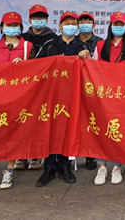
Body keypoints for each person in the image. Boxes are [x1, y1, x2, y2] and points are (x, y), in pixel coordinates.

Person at [0, 12, 35, 190]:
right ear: (2, 27)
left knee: (13, 132)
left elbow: (35, 70)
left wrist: (24, 65)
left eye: (15, 25)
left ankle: (10, 169)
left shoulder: (28, 46)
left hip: (18, 95)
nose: (12, 28)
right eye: (8, 25)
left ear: (21, 27)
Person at [92, 11, 125, 185]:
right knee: (102, 130)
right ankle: (101, 167)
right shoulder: (100, 45)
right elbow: (92, 69)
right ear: (110, 26)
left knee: (119, 130)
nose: (118, 27)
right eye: (115, 24)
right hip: (104, 96)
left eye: (121, 24)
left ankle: (117, 166)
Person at [36, 11, 89, 188]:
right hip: (50, 94)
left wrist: (86, 57)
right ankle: (49, 167)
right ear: (60, 26)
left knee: (67, 129)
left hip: (72, 95)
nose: (70, 26)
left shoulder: (82, 46)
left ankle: (65, 166)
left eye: (73, 23)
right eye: (66, 23)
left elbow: (90, 70)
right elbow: (36, 65)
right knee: (50, 129)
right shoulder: (50, 44)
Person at [18, 4, 59, 171]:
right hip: (23, 85)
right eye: (35, 18)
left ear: (47, 19)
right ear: (29, 20)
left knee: (39, 118)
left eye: (42, 17)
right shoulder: (22, 38)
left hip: (43, 85)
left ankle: (36, 155)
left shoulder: (53, 38)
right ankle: (21, 154)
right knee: (22, 118)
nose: (38, 20)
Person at [77, 11, 104, 171]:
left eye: (88, 21)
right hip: (74, 85)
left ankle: (90, 155)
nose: (85, 24)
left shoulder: (100, 43)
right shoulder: (72, 41)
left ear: (94, 25)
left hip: (93, 87)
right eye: (82, 21)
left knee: (92, 119)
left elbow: (102, 66)